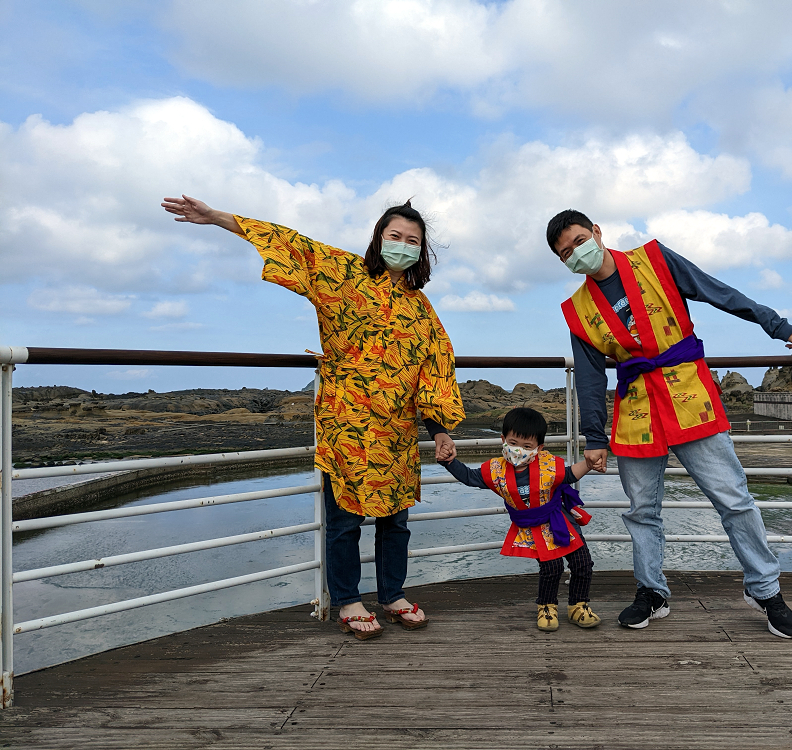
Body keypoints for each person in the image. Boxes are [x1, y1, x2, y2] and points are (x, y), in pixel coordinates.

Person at [162, 195, 465, 640]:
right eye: (395, 236)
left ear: (422, 251)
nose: (402, 245)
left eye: (412, 241)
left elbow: (434, 372)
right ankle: (347, 599)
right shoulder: (344, 275)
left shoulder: (422, 309)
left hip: (396, 427)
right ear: (379, 239)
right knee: (345, 517)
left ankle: (392, 593)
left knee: (395, 517)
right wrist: (220, 219)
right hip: (346, 417)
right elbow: (293, 245)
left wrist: (438, 431)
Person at [547, 209, 792, 639]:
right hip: (636, 411)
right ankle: (652, 591)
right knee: (642, 511)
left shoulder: (653, 259)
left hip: (690, 396)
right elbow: (591, 378)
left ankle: (766, 590)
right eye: (565, 253)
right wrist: (594, 437)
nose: (575, 253)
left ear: (596, 231)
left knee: (734, 499)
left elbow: (712, 289)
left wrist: (772, 322)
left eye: (578, 241)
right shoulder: (578, 311)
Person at [438, 407, 601, 631]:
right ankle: (546, 607)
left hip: (560, 520)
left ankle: (578, 606)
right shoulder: (494, 471)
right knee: (551, 567)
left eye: (527, 447)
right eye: (513, 443)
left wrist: (590, 464)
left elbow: (571, 473)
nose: (518, 451)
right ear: (503, 439)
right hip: (532, 526)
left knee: (583, 562)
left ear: (539, 448)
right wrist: (449, 462)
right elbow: (469, 477)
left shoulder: (548, 464)